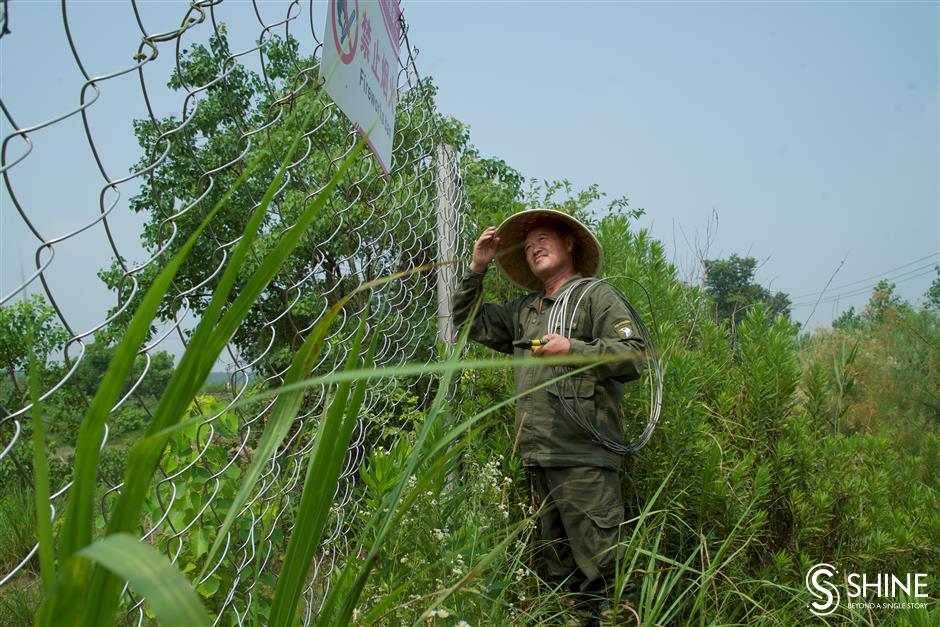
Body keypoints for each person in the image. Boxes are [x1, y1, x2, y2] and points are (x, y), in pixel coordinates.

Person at [451, 208, 646, 618]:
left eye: (543, 238)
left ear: (569, 244)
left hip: (584, 461)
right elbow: (469, 322)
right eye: (527, 245)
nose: (533, 247)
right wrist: (478, 268)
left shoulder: (596, 296)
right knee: (557, 578)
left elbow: (633, 358)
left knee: (605, 577)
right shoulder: (526, 312)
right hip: (540, 460)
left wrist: (572, 350)